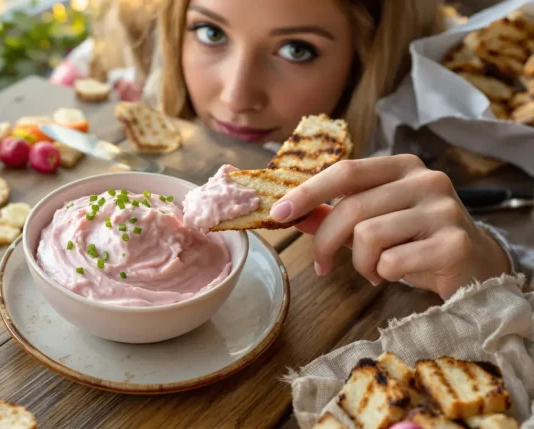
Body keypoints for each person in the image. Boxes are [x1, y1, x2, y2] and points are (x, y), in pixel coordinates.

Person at [52, 0, 533, 300]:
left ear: (364, 59)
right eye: (211, 32)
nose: (238, 97)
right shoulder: (114, 85)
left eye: (297, 50)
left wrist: (493, 267)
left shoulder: (451, 144)